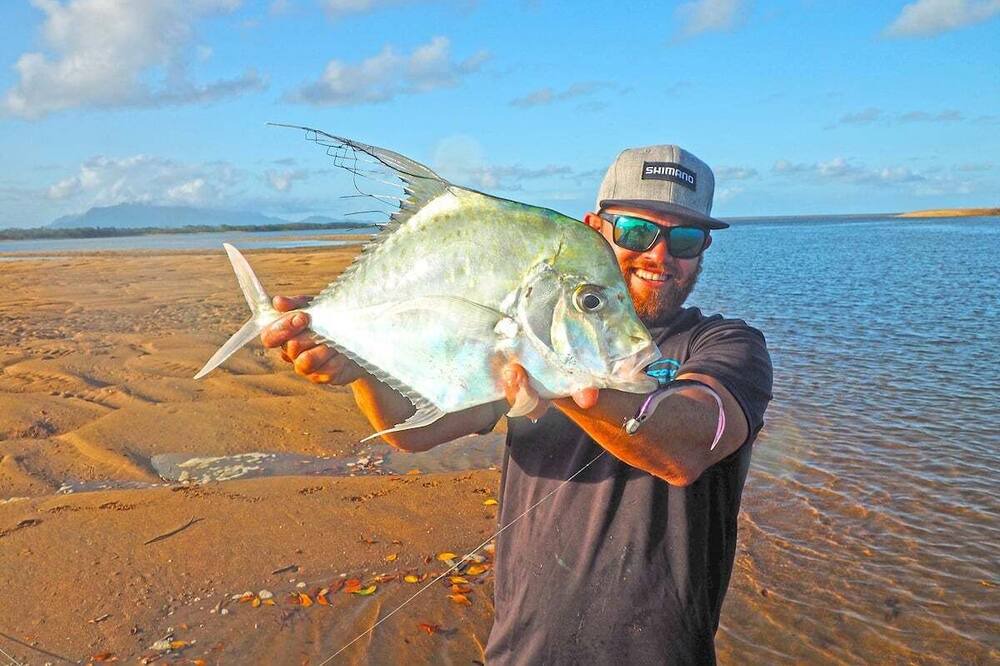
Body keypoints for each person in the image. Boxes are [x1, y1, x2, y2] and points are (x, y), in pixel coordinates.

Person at [261, 144, 773, 664]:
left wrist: (561, 382)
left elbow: (687, 448)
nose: (660, 256)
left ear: (703, 249)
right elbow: (409, 431)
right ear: (595, 230)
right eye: (637, 232)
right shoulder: (534, 343)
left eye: (685, 238)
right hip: (521, 651)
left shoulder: (728, 345)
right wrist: (356, 368)